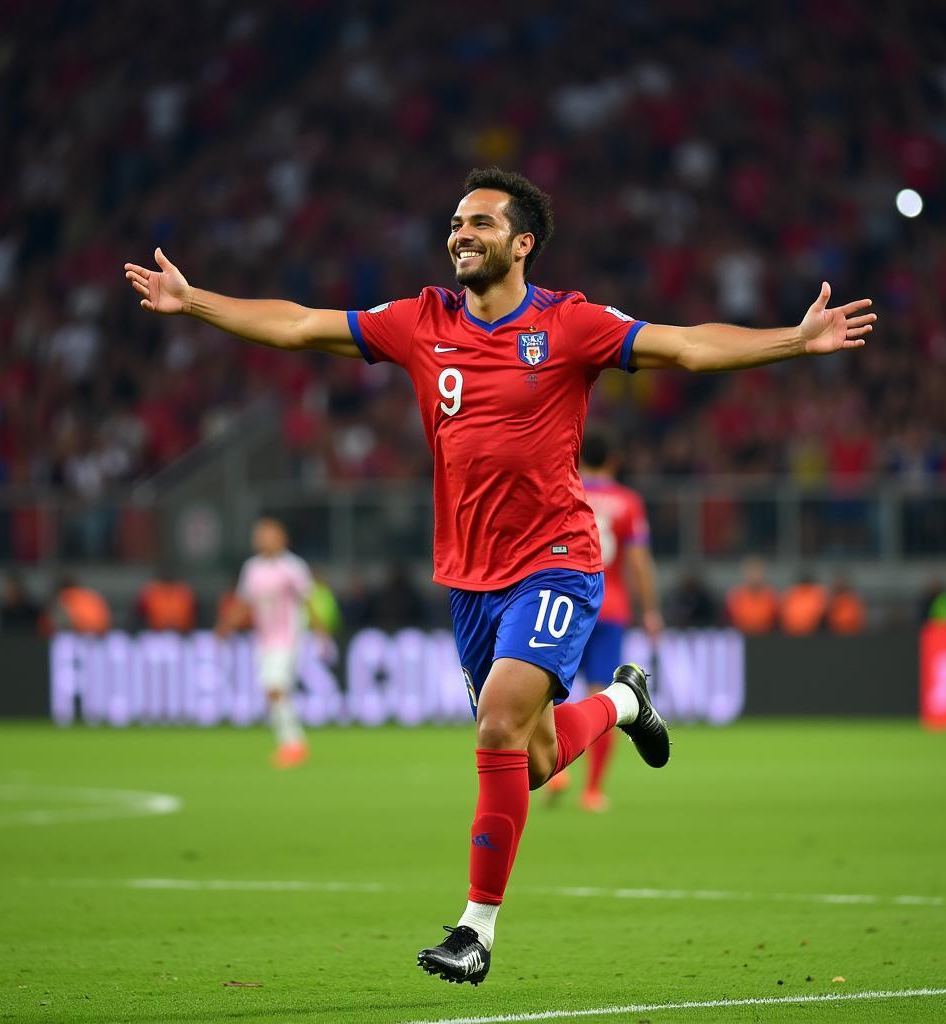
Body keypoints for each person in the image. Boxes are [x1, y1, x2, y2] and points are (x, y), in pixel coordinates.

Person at [125, 166, 875, 985]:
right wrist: (194, 300)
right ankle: (624, 700)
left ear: (522, 244)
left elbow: (689, 345)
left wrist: (793, 341)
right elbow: (302, 326)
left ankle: (475, 930)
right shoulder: (420, 321)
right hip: (470, 579)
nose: (461, 233)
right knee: (537, 759)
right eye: (456, 222)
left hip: (556, 560)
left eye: (480, 223)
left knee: (495, 727)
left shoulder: (572, 324)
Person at [547, 427, 663, 812]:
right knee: (601, 696)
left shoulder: (566, 491)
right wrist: (650, 610)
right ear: (613, 460)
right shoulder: (627, 502)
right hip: (609, 607)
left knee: (546, 690)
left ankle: (554, 769)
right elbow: (638, 562)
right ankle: (592, 790)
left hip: (565, 604)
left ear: (580, 458)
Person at [219, 517, 313, 768]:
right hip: (264, 640)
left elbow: (308, 599)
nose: (263, 539)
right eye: (260, 535)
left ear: (282, 538)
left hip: (288, 637)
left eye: (268, 534)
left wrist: (320, 629)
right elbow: (243, 602)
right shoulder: (252, 568)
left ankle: (293, 743)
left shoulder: (293, 567)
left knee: (275, 686)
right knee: (272, 691)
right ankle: (288, 742)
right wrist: (225, 627)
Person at [133, 566, 197, 633]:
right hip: (154, 634)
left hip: (182, 633)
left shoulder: (184, 591)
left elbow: (194, 613)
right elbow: (139, 614)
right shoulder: (151, 591)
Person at [726, 556, 778, 634]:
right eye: (751, 571)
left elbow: (776, 622)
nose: (755, 575)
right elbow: (728, 622)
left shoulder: (771, 597)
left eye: (758, 571)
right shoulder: (736, 597)